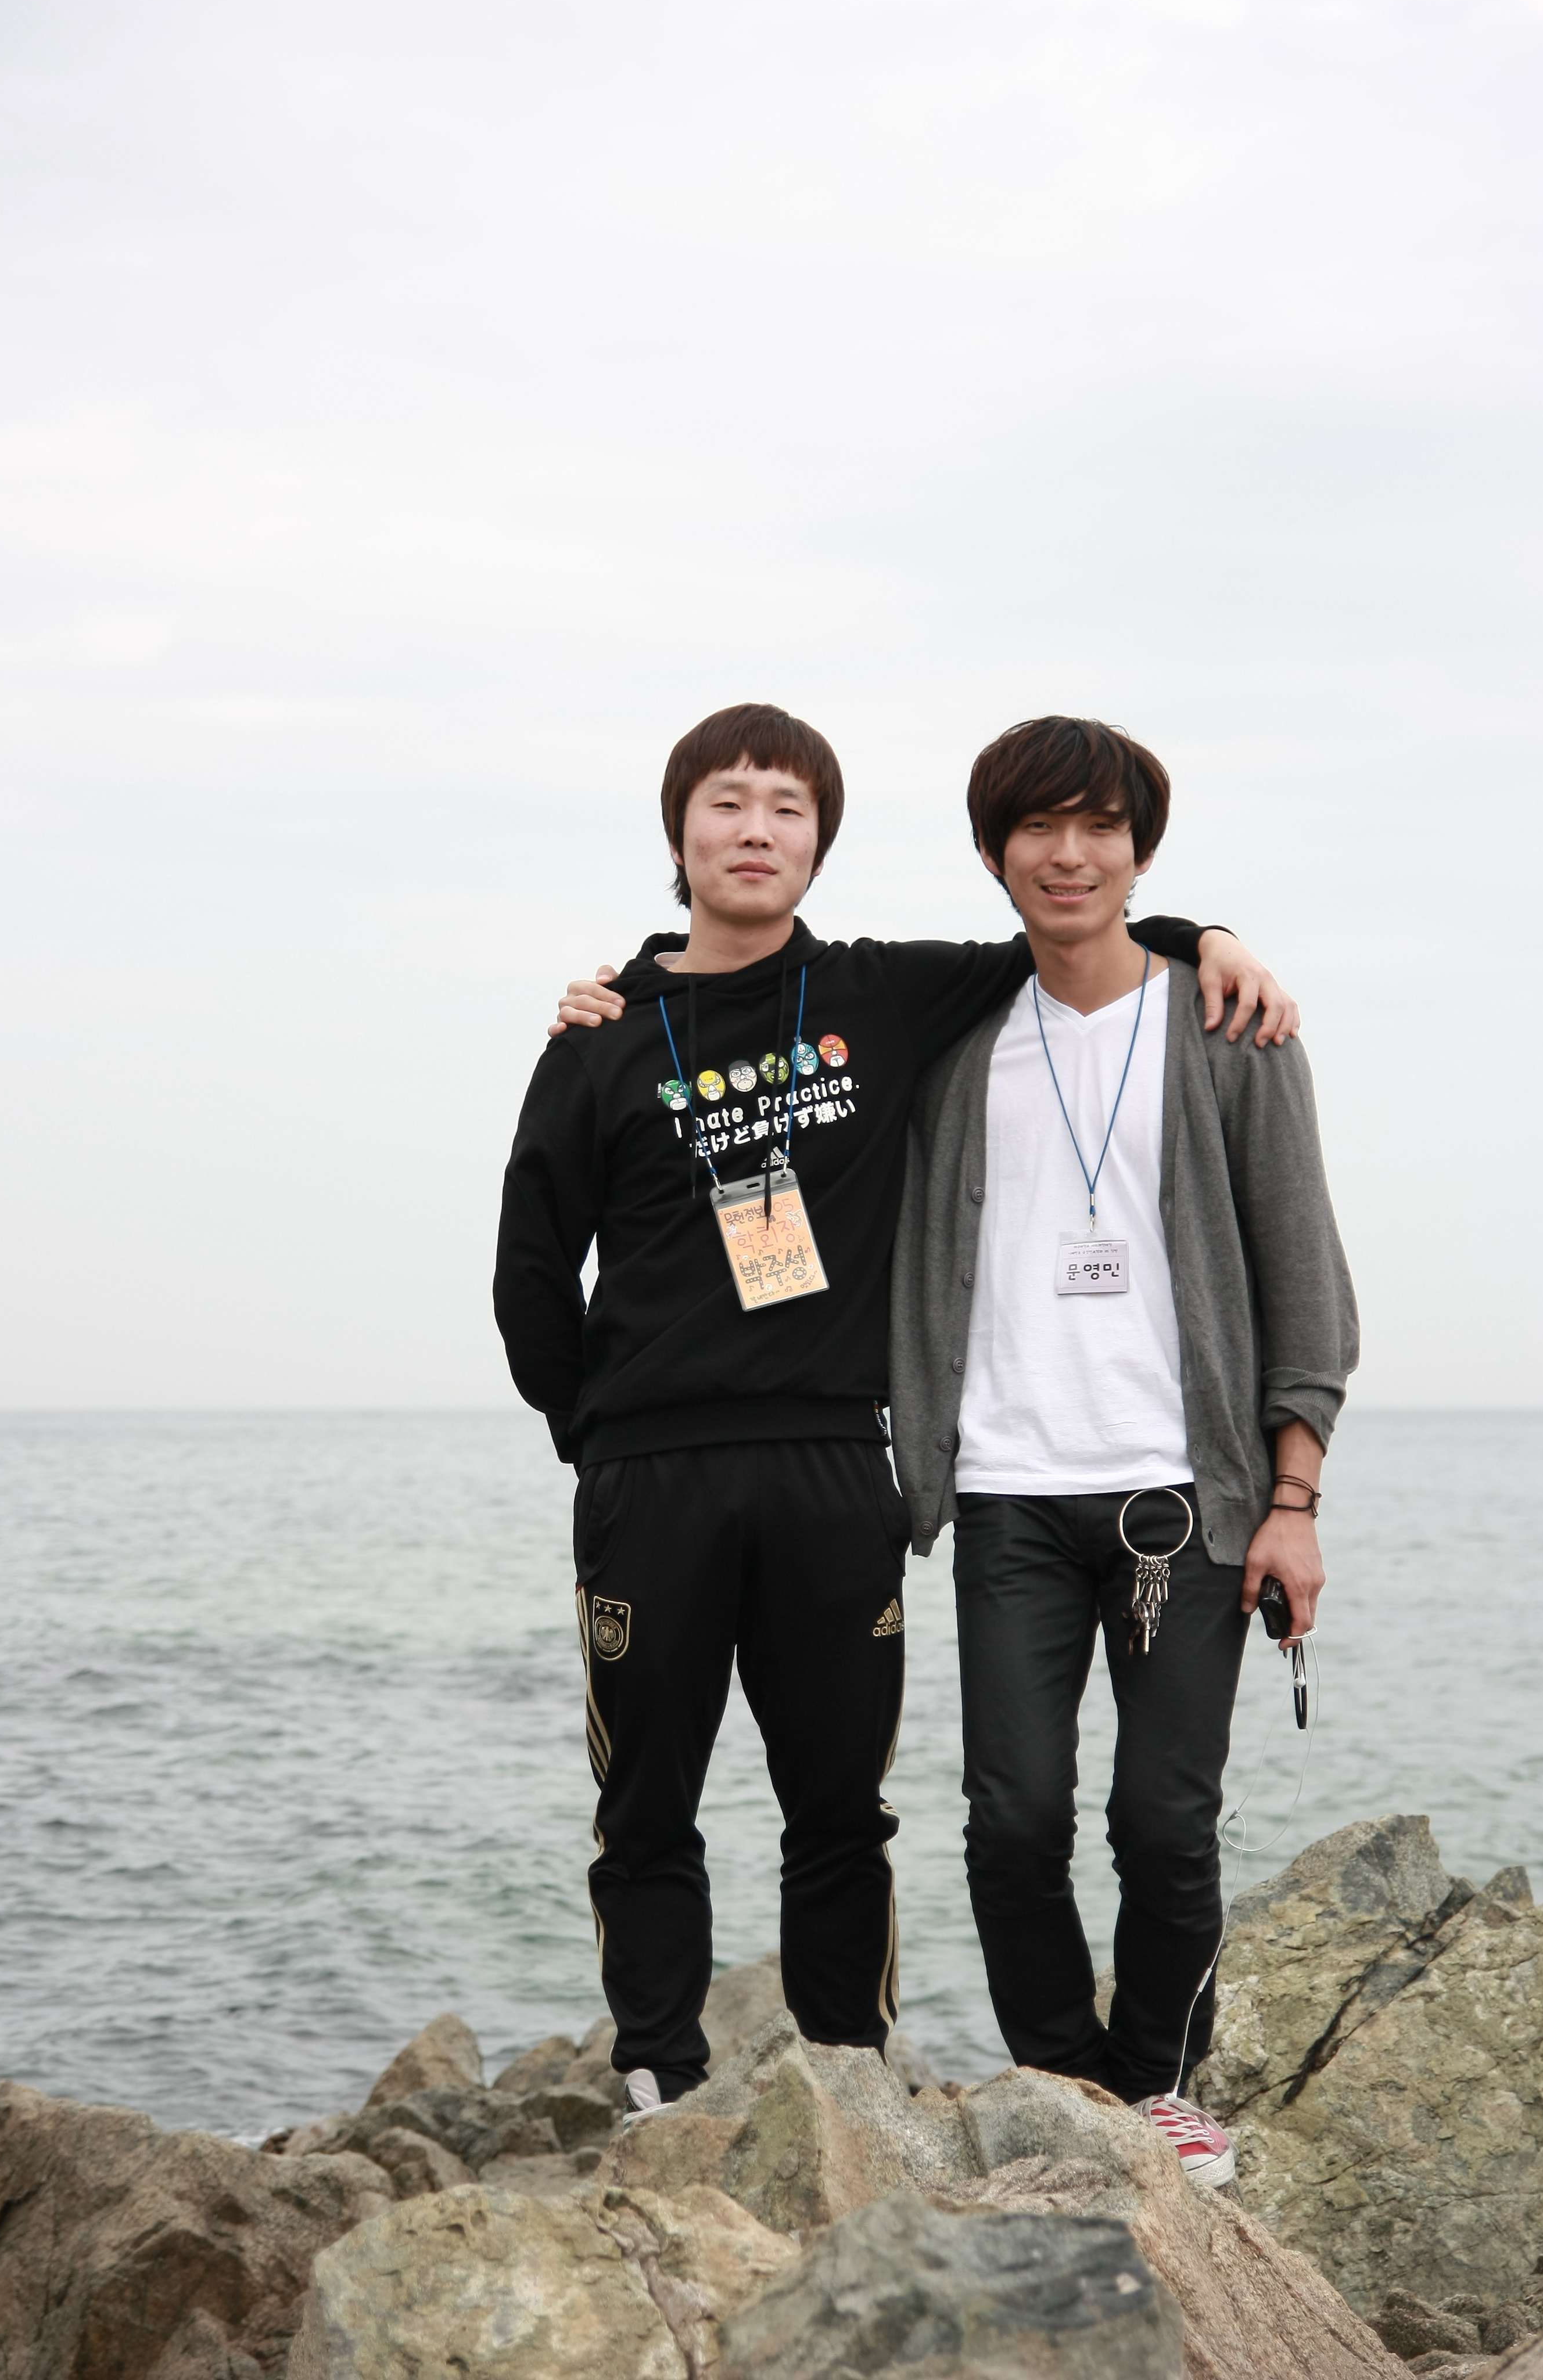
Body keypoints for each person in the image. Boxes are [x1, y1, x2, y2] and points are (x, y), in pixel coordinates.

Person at [497, 701, 1293, 2124]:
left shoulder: (882, 993)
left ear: (821, 841)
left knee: (841, 1812)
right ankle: (659, 2073)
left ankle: (846, 2077)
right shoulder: (601, 1036)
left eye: (787, 809)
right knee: (647, 1804)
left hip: (831, 1465)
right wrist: (597, 1431)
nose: (756, 831)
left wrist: (1209, 934)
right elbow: (529, 1268)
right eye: (727, 803)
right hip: (651, 1474)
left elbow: (1070, 922)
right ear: (679, 832)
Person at [888, 714, 1358, 2185]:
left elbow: (1303, 1283)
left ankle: (1158, 2082)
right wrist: (627, 983)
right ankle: (1061, 2078)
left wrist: (1292, 1499)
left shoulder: (1228, 1030)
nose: (1068, 853)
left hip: (1182, 1496)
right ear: (992, 854)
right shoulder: (951, 1043)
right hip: (1005, 1490)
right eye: (1038, 827)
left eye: (1099, 826)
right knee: (1011, 1817)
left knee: (1162, 1819)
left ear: (1139, 850)